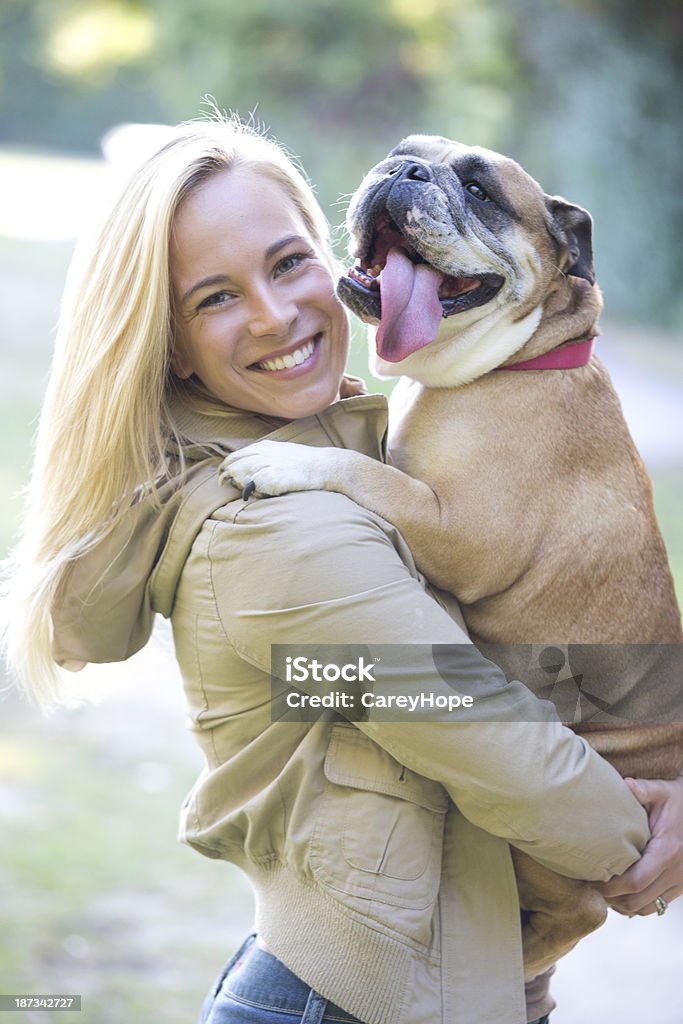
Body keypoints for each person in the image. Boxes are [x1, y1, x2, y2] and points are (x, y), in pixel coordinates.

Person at [2, 117, 681, 1024]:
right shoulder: (276, 535)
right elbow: (477, 734)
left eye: (288, 264)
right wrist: (649, 833)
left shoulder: (350, 442)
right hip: (355, 999)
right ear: (165, 341)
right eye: (213, 298)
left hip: (417, 975)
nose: (277, 315)